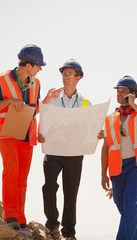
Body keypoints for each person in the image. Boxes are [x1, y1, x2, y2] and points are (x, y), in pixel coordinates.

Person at [0, 44, 46, 230]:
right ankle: (10, 215)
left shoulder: (36, 83)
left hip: (27, 134)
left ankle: (20, 217)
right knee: (11, 169)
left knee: (22, 176)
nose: (40, 69)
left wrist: (46, 102)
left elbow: (34, 109)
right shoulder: (1, 80)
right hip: (6, 131)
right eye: (38, 65)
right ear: (28, 65)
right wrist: (10, 101)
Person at [37, 59, 91, 240]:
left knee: (71, 193)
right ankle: (52, 225)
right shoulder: (52, 99)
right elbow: (42, 123)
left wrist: (97, 134)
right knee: (49, 186)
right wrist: (40, 135)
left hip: (74, 154)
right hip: (53, 151)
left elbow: (90, 128)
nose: (65, 77)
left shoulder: (85, 103)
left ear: (78, 78)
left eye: (70, 74)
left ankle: (69, 233)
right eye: (64, 74)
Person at [100, 75, 137, 240]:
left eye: (124, 91)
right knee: (125, 209)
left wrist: (133, 104)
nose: (120, 94)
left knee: (129, 202)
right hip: (117, 169)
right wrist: (103, 173)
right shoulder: (110, 119)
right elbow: (106, 148)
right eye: (118, 91)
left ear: (133, 94)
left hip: (136, 166)